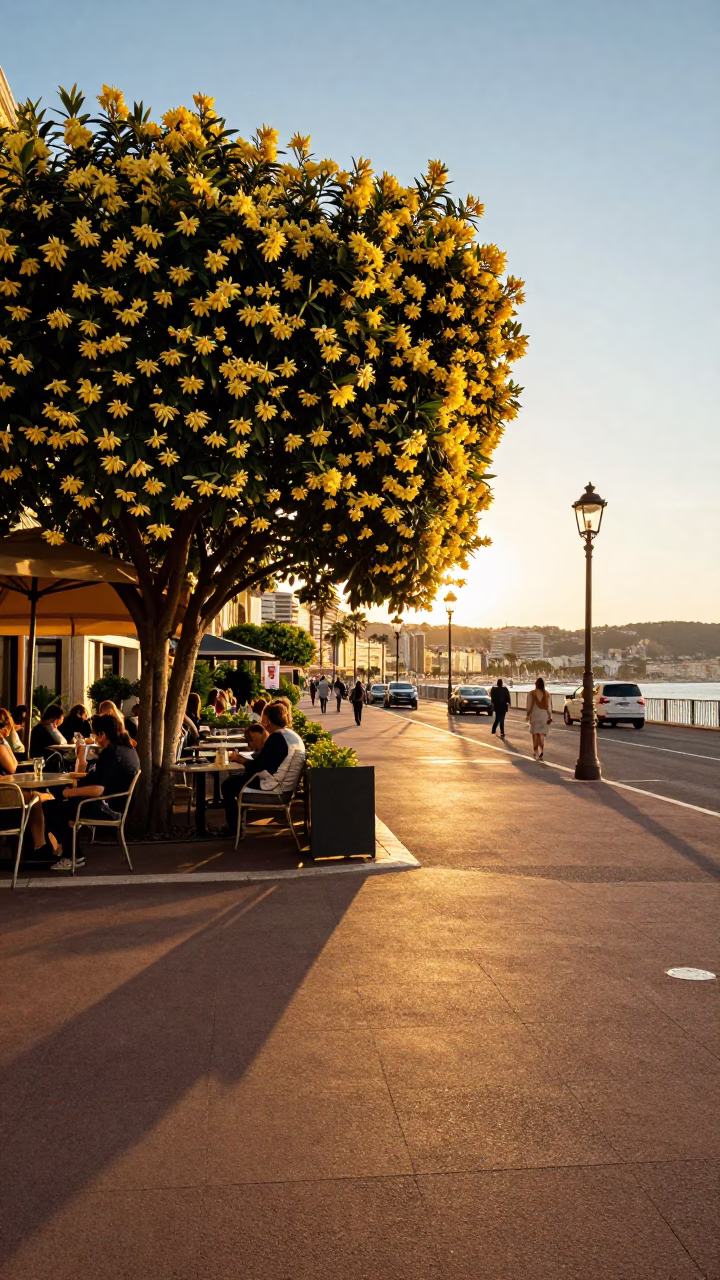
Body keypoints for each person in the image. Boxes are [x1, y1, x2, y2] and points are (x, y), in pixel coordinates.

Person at [45, 713, 140, 871]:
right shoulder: (126, 749)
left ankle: (72, 855)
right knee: (61, 806)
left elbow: (98, 789)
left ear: (102, 735)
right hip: (116, 804)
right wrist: (80, 756)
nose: (94, 738)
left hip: (107, 807)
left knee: (52, 808)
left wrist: (68, 793)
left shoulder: (110, 754)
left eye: (94, 734)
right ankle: (66, 850)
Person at [221, 702, 296, 834]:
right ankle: (237, 822)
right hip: (284, 786)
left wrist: (241, 760)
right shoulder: (290, 736)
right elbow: (266, 763)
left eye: (265, 720)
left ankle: (233, 828)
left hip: (274, 789)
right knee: (236, 782)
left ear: (269, 721)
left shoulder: (277, 738)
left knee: (228, 785)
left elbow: (258, 766)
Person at [0, 707, 58, 860]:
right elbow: (12, 766)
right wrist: (4, 743)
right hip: (4, 796)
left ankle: (42, 846)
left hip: (6, 792)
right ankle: (41, 846)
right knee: (42, 799)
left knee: (38, 798)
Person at [526, 677, 553, 760]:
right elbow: (549, 707)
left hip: (534, 715)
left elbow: (529, 705)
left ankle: (535, 751)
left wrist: (528, 714)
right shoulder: (547, 694)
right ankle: (542, 750)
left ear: (536, 684)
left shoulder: (532, 693)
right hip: (544, 716)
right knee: (541, 734)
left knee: (535, 734)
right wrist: (550, 716)